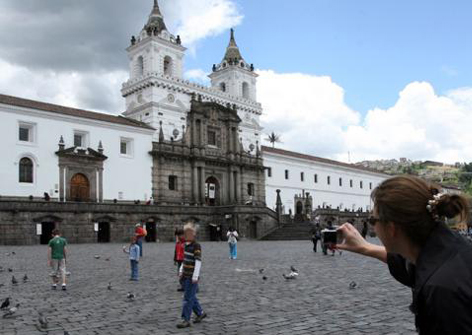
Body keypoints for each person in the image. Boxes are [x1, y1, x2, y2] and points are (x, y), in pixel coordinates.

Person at [337, 175, 472, 334]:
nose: (372, 225)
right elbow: (413, 263)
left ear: (392, 228)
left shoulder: (440, 291)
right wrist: (365, 247)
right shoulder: (449, 245)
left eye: (373, 220)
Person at [176, 223, 207, 328]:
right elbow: (184, 260)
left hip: (191, 277)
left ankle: (186, 319)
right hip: (185, 275)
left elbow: (198, 261)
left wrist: (195, 276)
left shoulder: (196, 246)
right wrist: (181, 270)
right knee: (191, 296)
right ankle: (200, 313)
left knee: (187, 298)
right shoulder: (186, 245)